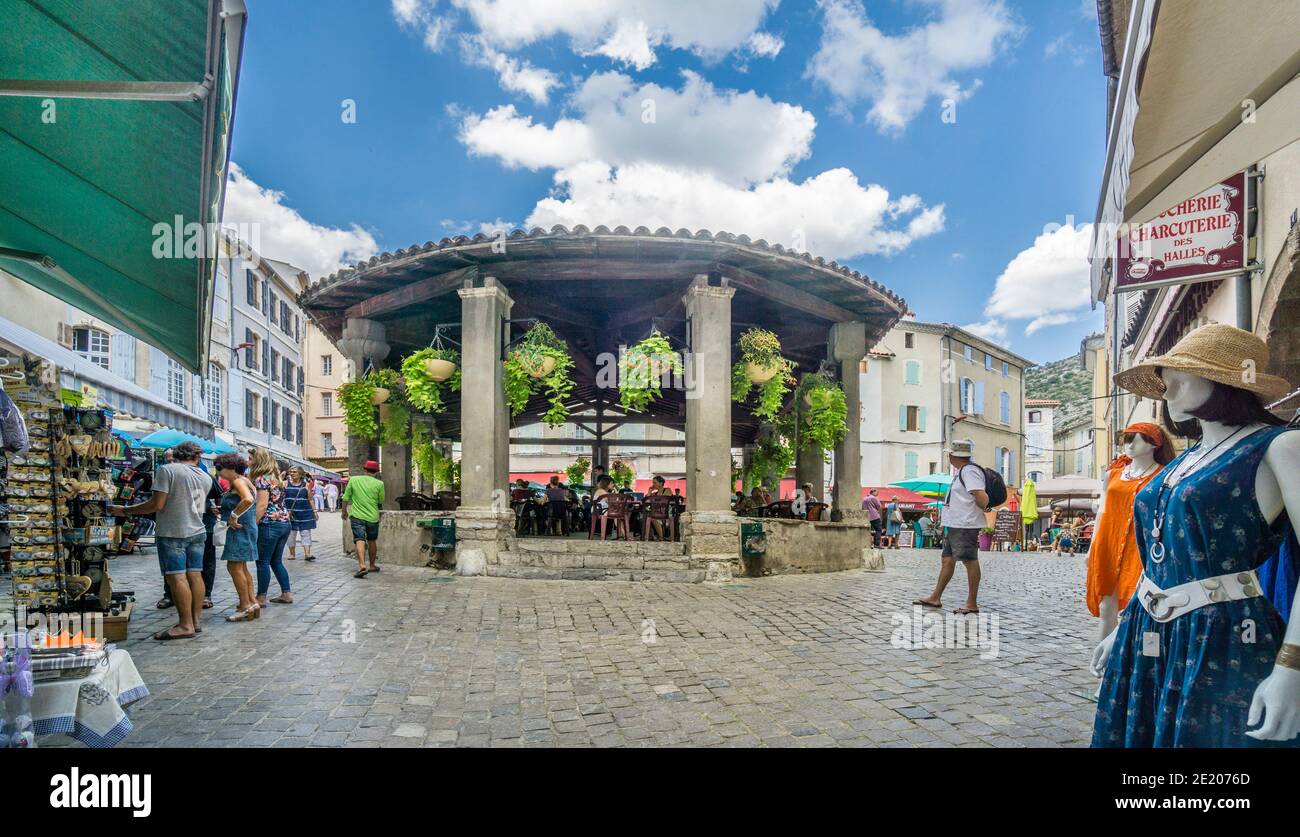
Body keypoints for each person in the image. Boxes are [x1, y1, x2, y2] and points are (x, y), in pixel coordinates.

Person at [110, 440, 212, 640]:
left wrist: (125, 510)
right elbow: (198, 507)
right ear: (197, 457)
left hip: (174, 531)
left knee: (177, 577)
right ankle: (195, 621)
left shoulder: (168, 471)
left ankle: (185, 625)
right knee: (195, 575)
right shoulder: (204, 476)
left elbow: (157, 504)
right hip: (197, 530)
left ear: (175, 455)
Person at [914, 439, 987, 615]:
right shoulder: (963, 471)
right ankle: (935, 596)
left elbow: (981, 496)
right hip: (956, 523)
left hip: (965, 523)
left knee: (969, 561)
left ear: (954, 455)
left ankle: (972, 603)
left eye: (949, 454)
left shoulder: (969, 472)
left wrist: (980, 509)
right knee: (947, 560)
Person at [213, 452, 260, 621]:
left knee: (234, 567)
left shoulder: (238, 481)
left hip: (239, 529)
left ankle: (245, 605)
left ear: (231, 467)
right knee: (241, 567)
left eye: (219, 468)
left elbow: (247, 500)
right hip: (246, 528)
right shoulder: (245, 480)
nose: (218, 472)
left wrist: (233, 516)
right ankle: (252, 603)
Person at [249, 448, 293, 605]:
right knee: (276, 561)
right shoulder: (277, 479)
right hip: (284, 522)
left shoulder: (262, 479)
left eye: (250, 458)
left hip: (269, 523)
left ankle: (261, 597)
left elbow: (261, 505)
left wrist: (252, 525)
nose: (249, 462)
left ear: (258, 461)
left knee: (262, 562)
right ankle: (286, 593)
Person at [342, 459, 385, 577]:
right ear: (376, 472)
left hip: (357, 515)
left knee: (359, 539)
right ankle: (372, 565)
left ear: (364, 469)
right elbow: (381, 500)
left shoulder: (354, 480)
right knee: (372, 540)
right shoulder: (379, 484)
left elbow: (345, 498)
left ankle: (362, 565)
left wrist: (344, 512)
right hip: (372, 517)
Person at [283, 466, 319, 561]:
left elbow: (310, 499)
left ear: (300, 474)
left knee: (306, 533)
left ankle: (307, 554)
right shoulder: (285, 484)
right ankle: (292, 553)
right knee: (291, 534)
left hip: (305, 513)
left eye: (294, 472)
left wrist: (315, 511)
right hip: (291, 514)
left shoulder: (306, 485)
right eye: (290, 472)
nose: (292, 473)